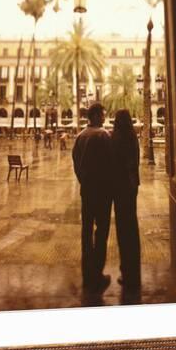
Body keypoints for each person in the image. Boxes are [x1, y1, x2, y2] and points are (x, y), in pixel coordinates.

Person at [72, 103, 113, 292]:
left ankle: (87, 272)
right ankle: (98, 273)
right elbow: (110, 161)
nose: (104, 118)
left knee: (86, 231)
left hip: (86, 190)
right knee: (102, 231)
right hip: (103, 191)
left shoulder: (79, 136)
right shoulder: (103, 135)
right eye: (103, 115)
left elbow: (75, 163)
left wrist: (83, 180)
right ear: (96, 115)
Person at [111, 109, 142, 291]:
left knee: (123, 230)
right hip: (131, 188)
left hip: (120, 188)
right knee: (132, 229)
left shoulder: (117, 138)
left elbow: (113, 163)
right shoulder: (133, 137)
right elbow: (133, 164)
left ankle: (127, 272)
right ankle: (133, 272)